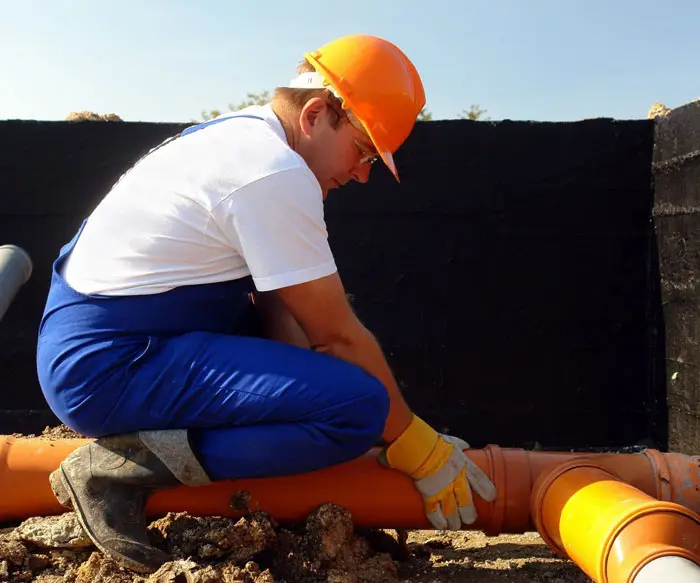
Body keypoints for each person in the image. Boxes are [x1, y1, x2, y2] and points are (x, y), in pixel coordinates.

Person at [36, 33, 497, 573]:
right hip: (111, 364)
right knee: (357, 408)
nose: (363, 172)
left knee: (342, 394)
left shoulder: (243, 139)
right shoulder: (272, 170)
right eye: (364, 149)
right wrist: (415, 443)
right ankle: (118, 468)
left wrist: (311, 412)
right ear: (317, 113)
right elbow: (338, 337)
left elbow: (285, 311)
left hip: (119, 338)